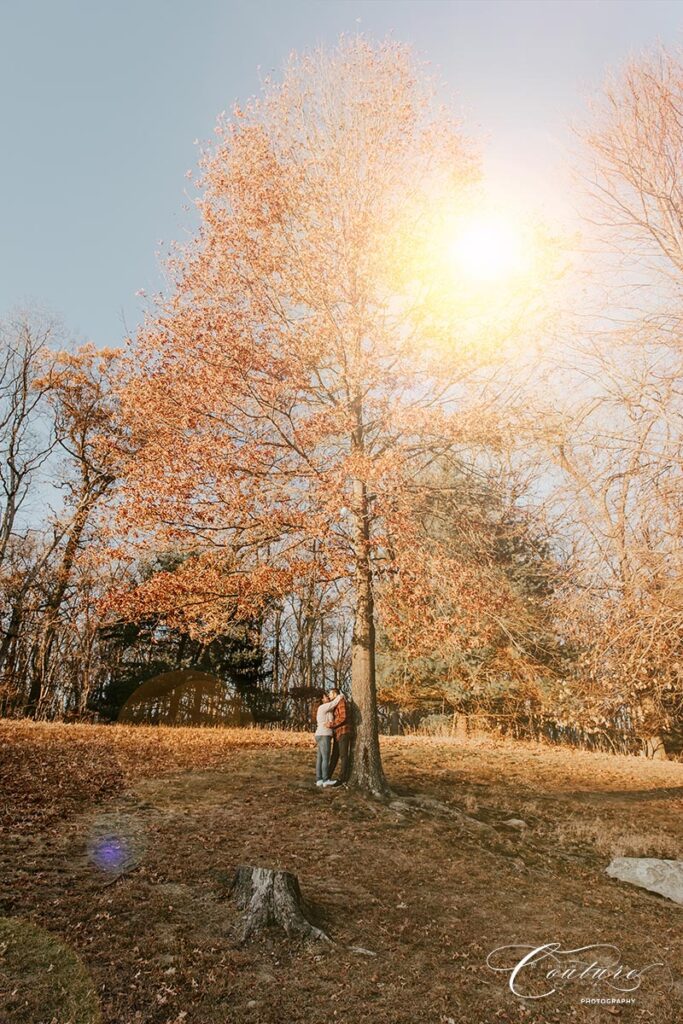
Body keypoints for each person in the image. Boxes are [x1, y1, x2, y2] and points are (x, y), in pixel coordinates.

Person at [314, 691, 343, 788]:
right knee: (325, 758)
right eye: (326, 697)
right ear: (322, 699)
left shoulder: (324, 708)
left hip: (320, 734)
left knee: (320, 758)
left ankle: (319, 780)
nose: (328, 697)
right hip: (324, 734)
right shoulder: (323, 707)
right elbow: (334, 703)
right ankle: (325, 780)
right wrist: (340, 696)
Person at [328, 688, 352, 784]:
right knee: (334, 755)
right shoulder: (335, 703)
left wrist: (332, 724)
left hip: (343, 731)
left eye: (330, 694)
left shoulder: (341, 702)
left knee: (343, 755)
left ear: (334, 694)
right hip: (337, 733)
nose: (329, 696)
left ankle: (342, 778)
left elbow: (343, 717)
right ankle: (328, 776)